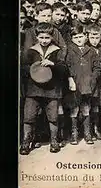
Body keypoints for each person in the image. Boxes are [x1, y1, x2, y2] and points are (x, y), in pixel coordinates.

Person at [20, 22, 67, 154]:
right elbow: (23, 67)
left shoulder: (57, 51)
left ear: (52, 37)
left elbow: (64, 69)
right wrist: (34, 67)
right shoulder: (31, 51)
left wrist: (53, 64)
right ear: (37, 37)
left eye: (47, 38)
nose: (44, 41)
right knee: (29, 116)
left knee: (53, 117)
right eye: (41, 38)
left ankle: (54, 141)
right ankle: (26, 141)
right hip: (33, 90)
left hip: (52, 90)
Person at [65, 25, 101, 145]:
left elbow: (97, 66)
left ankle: (87, 133)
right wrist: (70, 78)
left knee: (86, 108)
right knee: (74, 109)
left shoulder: (90, 51)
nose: (78, 39)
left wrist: (93, 78)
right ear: (71, 39)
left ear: (85, 37)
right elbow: (66, 66)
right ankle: (74, 133)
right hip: (74, 85)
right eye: (75, 37)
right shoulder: (69, 50)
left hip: (87, 84)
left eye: (80, 36)